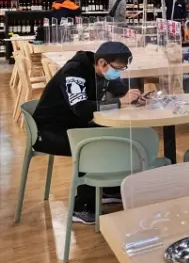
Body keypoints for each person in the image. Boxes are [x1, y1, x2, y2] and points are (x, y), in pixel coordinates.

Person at [32, 42, 141, 224]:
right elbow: (81, 108)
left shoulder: (101, 69)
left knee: (114, 136)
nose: (118, 73)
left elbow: (119, 88)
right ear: (102, 63)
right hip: (49, 131)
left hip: (73, 126)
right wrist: (119, 102)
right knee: (93, 145)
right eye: (117, 69)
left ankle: (107, 189)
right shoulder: (74, 72)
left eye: (122, 69)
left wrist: (135, 97)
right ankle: (81, 206)